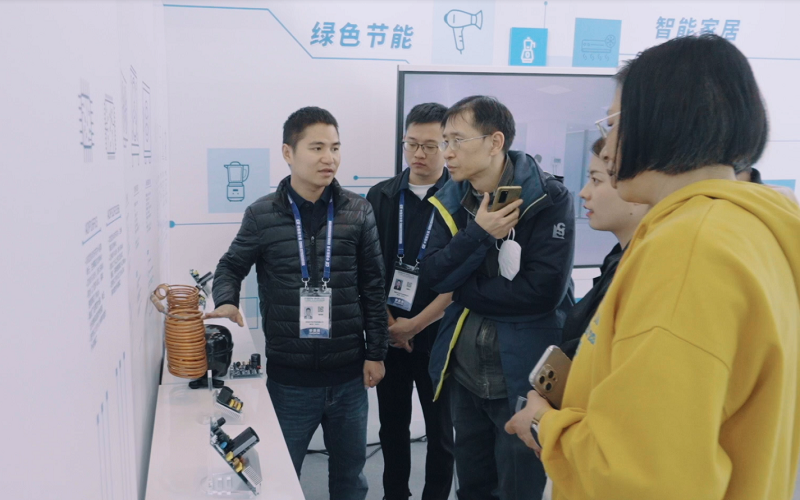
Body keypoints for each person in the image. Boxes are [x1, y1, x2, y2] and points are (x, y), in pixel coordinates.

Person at [510, 35, 800, 500]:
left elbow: (642, 475)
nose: (607, 148)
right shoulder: (748, 227)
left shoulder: (689, 250)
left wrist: (545, 424)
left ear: (659, 120)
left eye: (612, 123)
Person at [206, 106, 388, 500]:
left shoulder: (358, 212)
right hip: (290, 381)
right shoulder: (262, 215)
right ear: (288, 153)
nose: (329, 158)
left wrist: (376, 352)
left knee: (351, 478)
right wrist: (226, 301)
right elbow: (230, 266)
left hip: (348, 377)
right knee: (280, 477)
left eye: (335, 148)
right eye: (317, 148)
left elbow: (374, 287)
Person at [422, 95, 575, 500]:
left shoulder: (548, 196)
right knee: (473, 485)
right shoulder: (452, 197)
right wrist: (479, 233)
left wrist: (464, 289)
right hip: (466, 373)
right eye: (444, 141)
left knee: (519, 486)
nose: (446, 152)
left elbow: (542, 293)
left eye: (457, 140)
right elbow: (433, 274)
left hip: (521, 375)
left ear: (495, 142)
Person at [367, 102, 455, 500]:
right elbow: (369, 268)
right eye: (412, 144)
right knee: (392, 426)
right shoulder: (381, 196)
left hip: (439, 335)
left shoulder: (462, 198)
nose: (419, 154)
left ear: (447, 145)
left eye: (430, 146)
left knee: (441, 431)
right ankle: (395, 494)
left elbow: (463, 277)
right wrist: (391, 325)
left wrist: (415, 325)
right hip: (389, 335)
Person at [558, 136, 649, 358]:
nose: (583, 192)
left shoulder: (644, 272)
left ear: (637, 188)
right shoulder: (617, 260)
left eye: (596, 180)